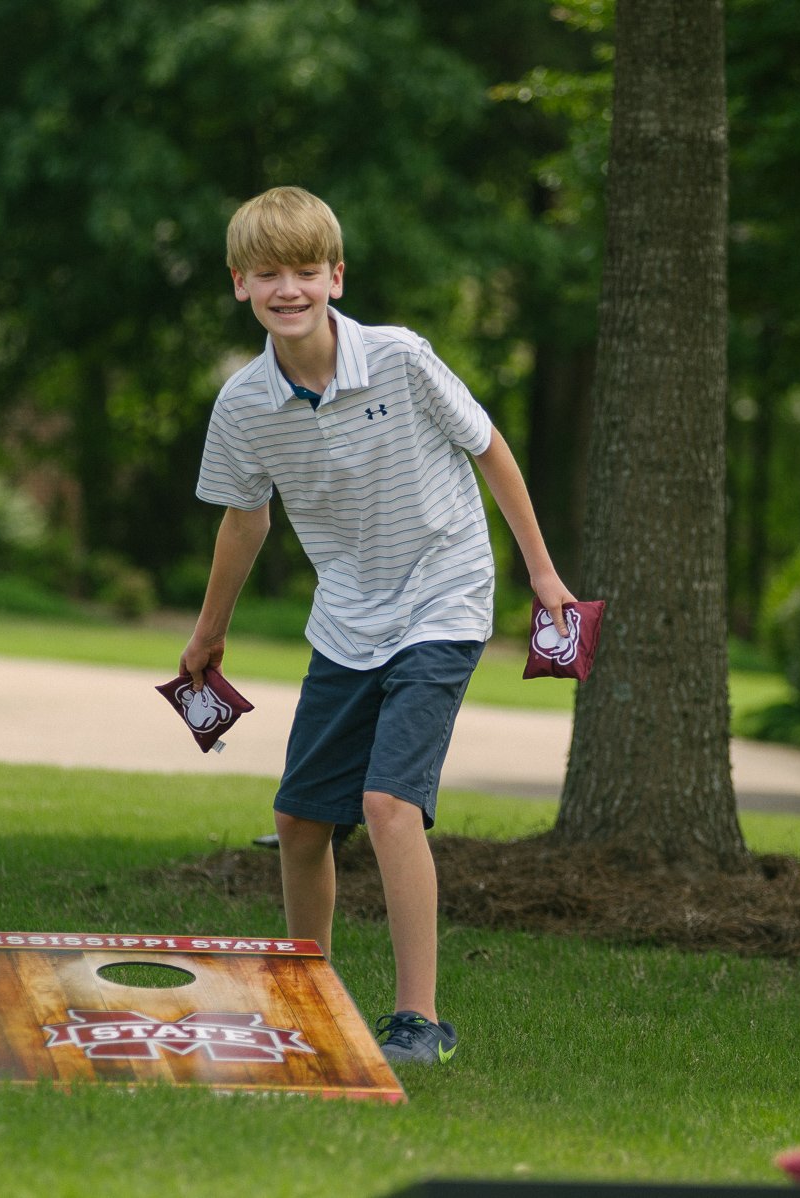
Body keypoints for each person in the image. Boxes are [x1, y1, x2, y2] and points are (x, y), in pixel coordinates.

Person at [180, 186, 575, 1066]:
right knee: (297, 821)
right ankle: (303, 991)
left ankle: (418, 1022)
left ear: (337, 276)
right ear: (240, 284)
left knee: (390, 803)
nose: (291, 289)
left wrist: (541, 574)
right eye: (270, 273)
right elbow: (245, 520)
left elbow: (489, 448)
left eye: (307, 271)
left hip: (445, 592)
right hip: (349, 613)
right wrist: (209, 633)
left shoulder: (399, 358)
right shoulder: (243, 406)